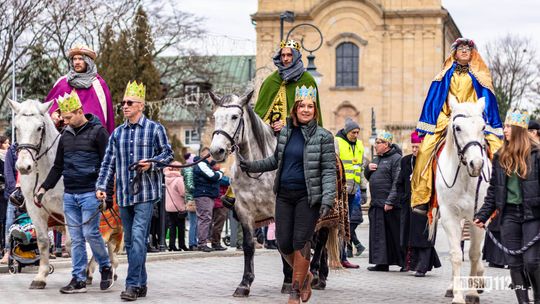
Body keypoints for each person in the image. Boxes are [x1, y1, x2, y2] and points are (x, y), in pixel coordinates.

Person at [240, 85, 336, 304]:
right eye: (302, 106)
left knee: (300, 241)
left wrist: (328, 198)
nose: (306, 110)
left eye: (310, 106)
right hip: (283, 194)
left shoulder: (323, 137)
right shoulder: (285, 132)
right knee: (283, 243)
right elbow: (275, 160)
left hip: (307, 196)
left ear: (315, 110)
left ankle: (294, 290)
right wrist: (251, 166)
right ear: (295, 108)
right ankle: (306, 276)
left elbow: (328, 170)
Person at [220, 39, 324, 207]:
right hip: (268, 131)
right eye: (283, 55)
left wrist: (287, 124)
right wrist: (265, 126)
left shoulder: (307, 81)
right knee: (247, 149)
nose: (285, 58)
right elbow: (259, 112)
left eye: (289, 55)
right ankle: (235, 189)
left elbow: (310, 112)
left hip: (296, 133)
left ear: (296, 56)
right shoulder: (271, 81)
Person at [96, 81, 173, 301]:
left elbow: (167, 155)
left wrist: (151, 163)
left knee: (138, 238)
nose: (124, 106)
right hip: (124, 194)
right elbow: (108, 163)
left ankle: (131, 285)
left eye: (129, 103)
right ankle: (142, 282)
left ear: (141, 105)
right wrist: (102, 187)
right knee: (129, 241)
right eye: (123, 103)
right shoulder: (117, 133)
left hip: (146, 193)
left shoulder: (154, 129)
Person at [412, 38, 503, 215]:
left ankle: (500, 194)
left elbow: (485, 103)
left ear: (472, 54)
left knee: (499, 149)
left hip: (473, 118)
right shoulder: (444, 76)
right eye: (460, 48)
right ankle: (422, 197)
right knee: (424, 150)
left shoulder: (480, 77)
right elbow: (436, 102)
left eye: (467, 49)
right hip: (448, 118)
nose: (463, 51)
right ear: (454, 52)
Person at [35, 90, 114, 293]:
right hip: (70, 194)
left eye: (69, 117)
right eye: (64, 118)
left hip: (91, 192)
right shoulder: (65, 136)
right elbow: (58, 167)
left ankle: (105, 266)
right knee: (75, 239)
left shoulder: (98, 132)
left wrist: (108, 192)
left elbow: (108, 164)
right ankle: (78, 278)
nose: (66, 121)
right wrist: (44, 187)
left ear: (80, 111)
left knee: (90, 233)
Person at [474, 109, 540, 304]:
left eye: (509, 126)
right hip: (509, 215)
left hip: (533, 215)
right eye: (505, 126)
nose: (505, 129)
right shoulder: (500, 155)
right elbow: (494, 189)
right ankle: (523, 301)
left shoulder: (536, 155)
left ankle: (537, 297)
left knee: (531, 261)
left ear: (520, 130)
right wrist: (483, 215)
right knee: (514, 263)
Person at [398, 131, 441, 277]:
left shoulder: (431, 161)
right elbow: (399, 183)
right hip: (409, 204)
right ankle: (413, 264)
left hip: (427, 204)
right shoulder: (406, 161)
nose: (415, 150)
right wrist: (402, 198)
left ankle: (423, 266)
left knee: (424, 236)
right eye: (413, 147)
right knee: (411, 236)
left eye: (418, 147)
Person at [45, 44, 115, 133]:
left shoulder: (98, 85)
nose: (77, 62)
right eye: (74, 59)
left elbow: (107, 116)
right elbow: (48, 108)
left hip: (91, 137)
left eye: (81, 59)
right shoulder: (62, 83)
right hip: (64, 137)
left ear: (88, 61)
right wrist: (54, 114)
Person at [365, 130, 403, 271]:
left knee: (394, 235)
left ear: (387, 144)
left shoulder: (396, 159)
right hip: (377, 203)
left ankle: (403, 262)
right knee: (379, 236)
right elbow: (370, 178)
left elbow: (397, 182)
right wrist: (367, 169)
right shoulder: (376, 159)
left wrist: (390, 201)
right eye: (375, 142)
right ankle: (381, 263)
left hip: (389, 205)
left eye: (378, 142)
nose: (375, 145)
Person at [335, 117, 364, 268]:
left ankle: (343, 257)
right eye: (353, 132)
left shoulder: (359, 145)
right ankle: (337, 256)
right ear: (347, 132)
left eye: (358, 132)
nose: (356, 135)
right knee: (338, 224)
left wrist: (363, 189)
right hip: (339, 191)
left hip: (353, 191)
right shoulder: (337, 142)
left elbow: (360, 168)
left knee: (347, 224)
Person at [192, 147, 223, 252]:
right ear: (207, 156)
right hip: (204, 195)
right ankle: (202, 243)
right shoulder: (201, 164)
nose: (212, 158)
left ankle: (202, 242)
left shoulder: (204, 165)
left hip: (206, 194)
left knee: (205, 218)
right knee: (205, 218)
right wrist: (221, 173)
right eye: (211, 156)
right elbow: (213, 176)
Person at [164, 162, 188, 251]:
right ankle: (182, 245)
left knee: (172, 227)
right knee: (181, 227)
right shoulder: (178, 179)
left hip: (169, 206)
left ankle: (172, 245)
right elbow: (182, 193)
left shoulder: (166, 178)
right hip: (178, 207)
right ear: (178, 169)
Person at [0, 141, 17, 264]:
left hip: (31, 191)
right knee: (9, 222)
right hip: (14, 192)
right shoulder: (12, 150)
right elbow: (8, 172)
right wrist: (13, 190)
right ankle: (8, 251)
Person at [210, 165, 230, 251]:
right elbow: (228, 182)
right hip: (220, 203)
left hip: (215, 202)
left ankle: (215, 241)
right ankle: (216, 243)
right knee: (218, 224)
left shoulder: (212, 177)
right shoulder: (221, 179)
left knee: (215, 224)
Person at [0, 136, 9, 251]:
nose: (8, 145)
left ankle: (4, 245)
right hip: (0, 192)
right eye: (6, 143)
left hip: (6, 192)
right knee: (1, 220)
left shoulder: (8, 157)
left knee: (6, 219)